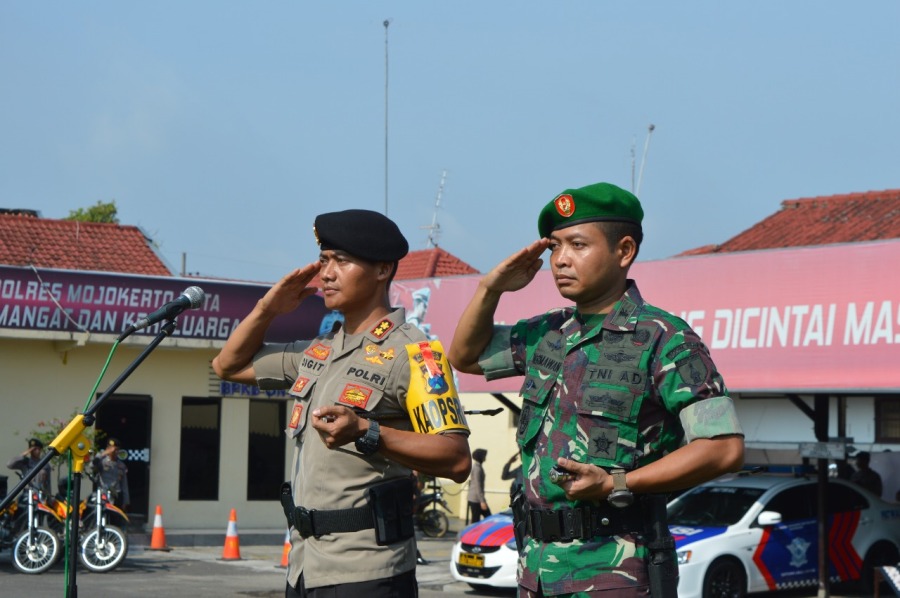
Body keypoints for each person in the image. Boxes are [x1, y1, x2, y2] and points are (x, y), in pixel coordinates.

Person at [448, 182, 745, 597]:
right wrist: (490, 288)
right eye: (554, 247)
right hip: (536, 570)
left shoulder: (664, 337)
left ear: (624, 251)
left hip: (614, 571)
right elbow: (464, 357)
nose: (560, 260)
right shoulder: (547, 332)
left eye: (578, 245)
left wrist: (615, 484)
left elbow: (723, 448)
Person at [212, 208, 472, 598]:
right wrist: (268, 308)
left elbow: (456, 459)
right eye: (323, 261)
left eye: (342, 261)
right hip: (304, 567)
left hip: (367, 570)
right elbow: (227, 366)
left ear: (383, 270)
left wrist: (366, 431)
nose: (326, 273)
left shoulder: (415, 353)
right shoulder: (317, 351)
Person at [92, 437, 130, 510]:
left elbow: (124, 485)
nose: (113, 452)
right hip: (103, 494)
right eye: (111, 449)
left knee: (114, 519)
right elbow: (92, 466)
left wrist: (126, 502)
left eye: (116, 450)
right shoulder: (102, 461)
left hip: (116, 496)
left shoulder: (121, 465)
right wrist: (103, 454)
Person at [467, 448, 490, 523]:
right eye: (484, 456)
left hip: (476, 498)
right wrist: (482, 501)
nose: (485, 457)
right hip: (476, 499)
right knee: (478, 521)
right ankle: (471, 534)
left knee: (480, 519)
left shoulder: (477, 467)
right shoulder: (477, 468)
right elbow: (478, 485)